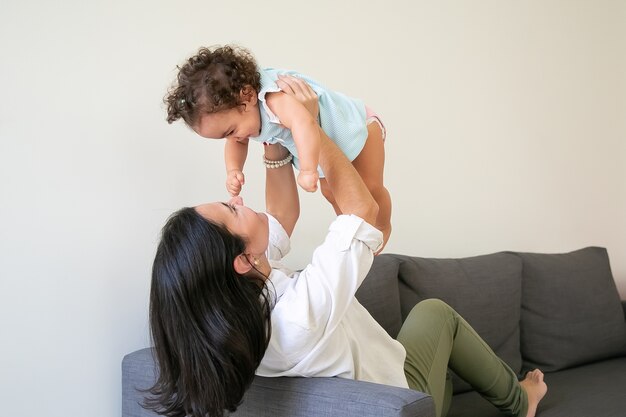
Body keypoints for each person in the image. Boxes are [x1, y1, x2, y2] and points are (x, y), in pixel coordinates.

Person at [147, 78, 547, 417]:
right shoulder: (297, 317)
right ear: (240, 260)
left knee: (432, 343)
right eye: (229, 210)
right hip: (401, 396)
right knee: (435, 312)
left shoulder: (248, 305)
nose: (235, 199)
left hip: (390, 368)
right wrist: (309, 125)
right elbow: (362, 212)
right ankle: (519, 402)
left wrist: (275, 139)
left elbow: (281, 216)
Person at [163, 44, 392, 250]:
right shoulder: (241, 115)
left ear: (249, 96)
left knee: (370, 187)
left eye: (231, 131)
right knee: (331, 192)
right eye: (225, 136)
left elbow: (303, 122)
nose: (234, 138)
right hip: (326, 149)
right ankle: (357, 235)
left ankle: (381, 226)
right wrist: (233, 170)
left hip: (356, 126)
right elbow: (236, 142)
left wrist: (308, 170)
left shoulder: (273, 99)